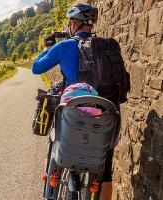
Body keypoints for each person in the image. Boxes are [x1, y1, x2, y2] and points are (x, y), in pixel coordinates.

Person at [32, 3, 118, 200]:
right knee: (104, 171)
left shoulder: (64, 46)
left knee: (56, 149)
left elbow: (36, 68)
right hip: (104, 119)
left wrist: (49, 47)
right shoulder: (108, 46)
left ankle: (51, 190)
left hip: (72, 118)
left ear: (73, 23)